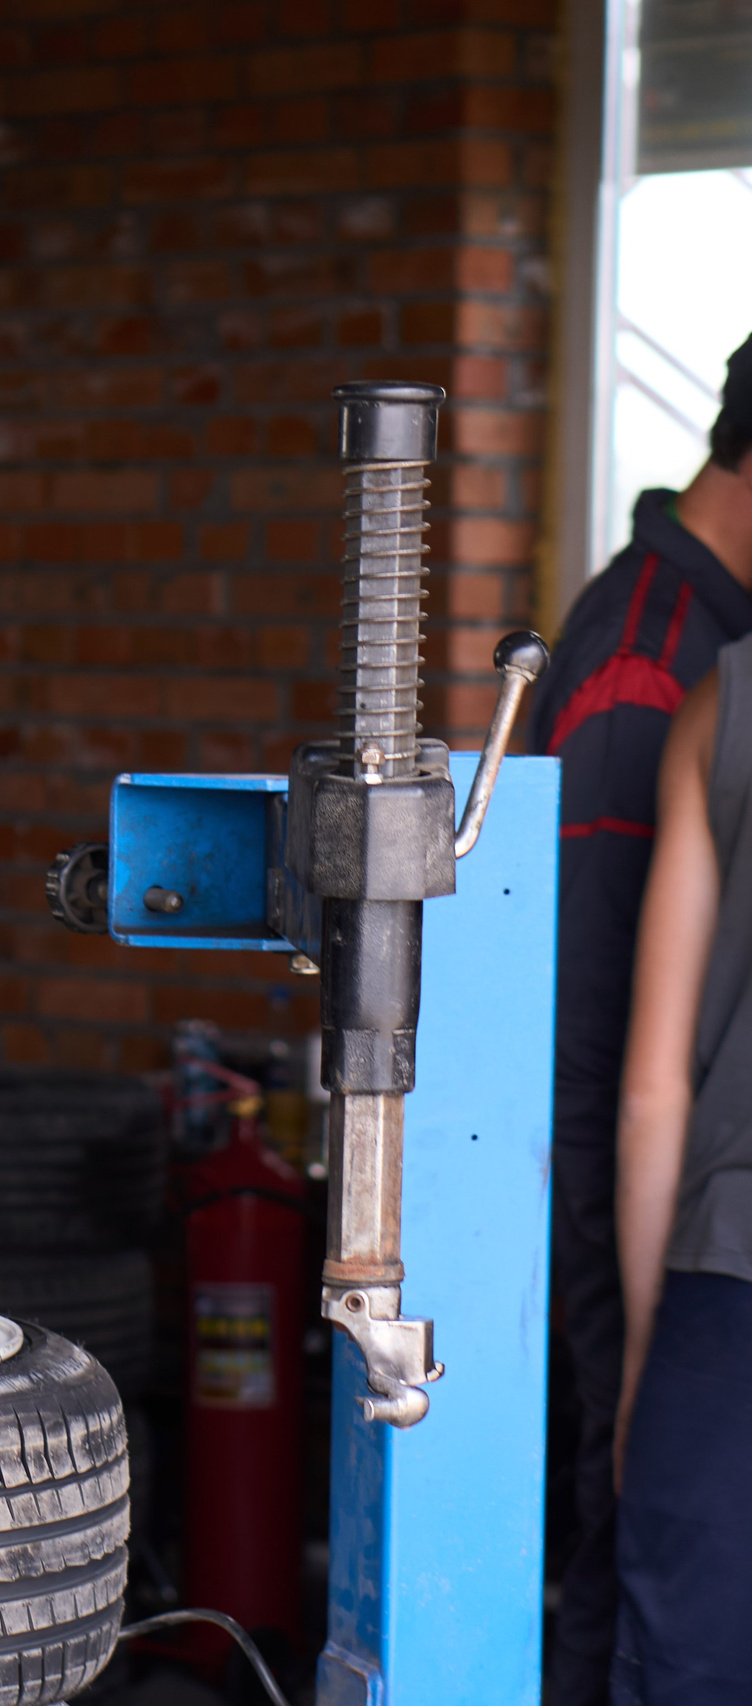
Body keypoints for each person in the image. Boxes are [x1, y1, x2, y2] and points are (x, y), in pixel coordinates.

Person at [527, 333, 752, 1706]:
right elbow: (603, 1051)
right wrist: (635, 1351)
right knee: (631, 1593)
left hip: (689, 1238)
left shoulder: (717, 656)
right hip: (641, 1248)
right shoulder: (654, 666)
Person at [609, 632, 752, 1703]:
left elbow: (655, 1086)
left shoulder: (725, 700)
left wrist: (644, 1356)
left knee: (689, 1669)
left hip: (726, 1285)